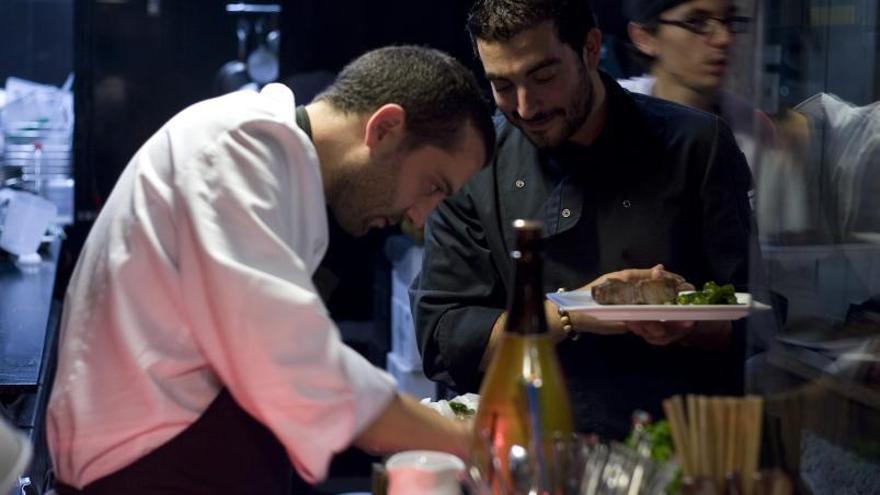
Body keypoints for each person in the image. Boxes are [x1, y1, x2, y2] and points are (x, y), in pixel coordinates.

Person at [47, 46, 495, 494]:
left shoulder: (277, 169)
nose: (419, 218)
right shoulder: (234, 147)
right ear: (385, 129)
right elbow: (296, 366)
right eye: (432, 186)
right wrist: (471, 439)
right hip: (144, 474)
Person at [411, 0, 755, 440]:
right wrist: (574, 312)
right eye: (502, 85)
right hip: (523, 442)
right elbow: (445, 337)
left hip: (667, 449)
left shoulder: (696, 145)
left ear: (590, 49)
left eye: (544, 76)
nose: (525, 106)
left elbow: (753, 323)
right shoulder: (476, 165)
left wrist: (692, 325)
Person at [622, 0, 775, 174]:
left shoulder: (753, 129)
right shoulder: (611, 116)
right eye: (696, 22)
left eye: (729, 21)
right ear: (645, 37)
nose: (724, 38)